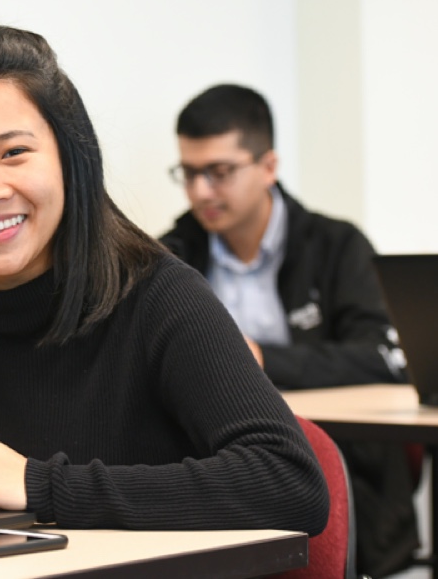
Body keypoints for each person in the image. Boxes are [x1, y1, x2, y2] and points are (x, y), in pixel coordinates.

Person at [0, 6, 329, 535]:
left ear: (71, 162)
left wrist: (39, 487)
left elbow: (289, 481)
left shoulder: (161, 296)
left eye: (14, 152)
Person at [160, 83, 416, 577]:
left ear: (269, 167)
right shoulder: (171, 255)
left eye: (219, 173)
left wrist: (261, 361)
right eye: (188, 174)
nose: (200, 192)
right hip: (217, 469)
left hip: (342, 470)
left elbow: (385, 355)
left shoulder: (337, 246)